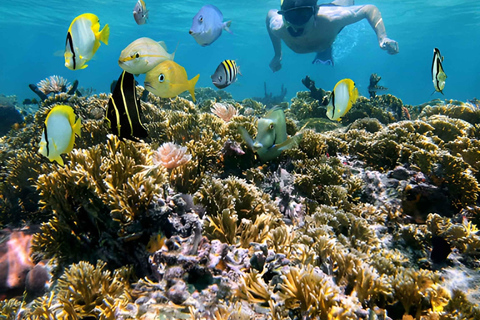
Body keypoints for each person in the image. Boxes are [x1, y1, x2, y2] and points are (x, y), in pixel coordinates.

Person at [266, 0, 399, 71]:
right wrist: (277, 54)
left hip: (329, 21)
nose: (297, 23)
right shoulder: (278, 26)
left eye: (303, 15)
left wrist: (382, 37)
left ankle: (326, 49)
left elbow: (368, 9)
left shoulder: (331, 19)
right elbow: (269, 15)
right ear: (283, 15)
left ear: (315, 12)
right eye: (291, 16)